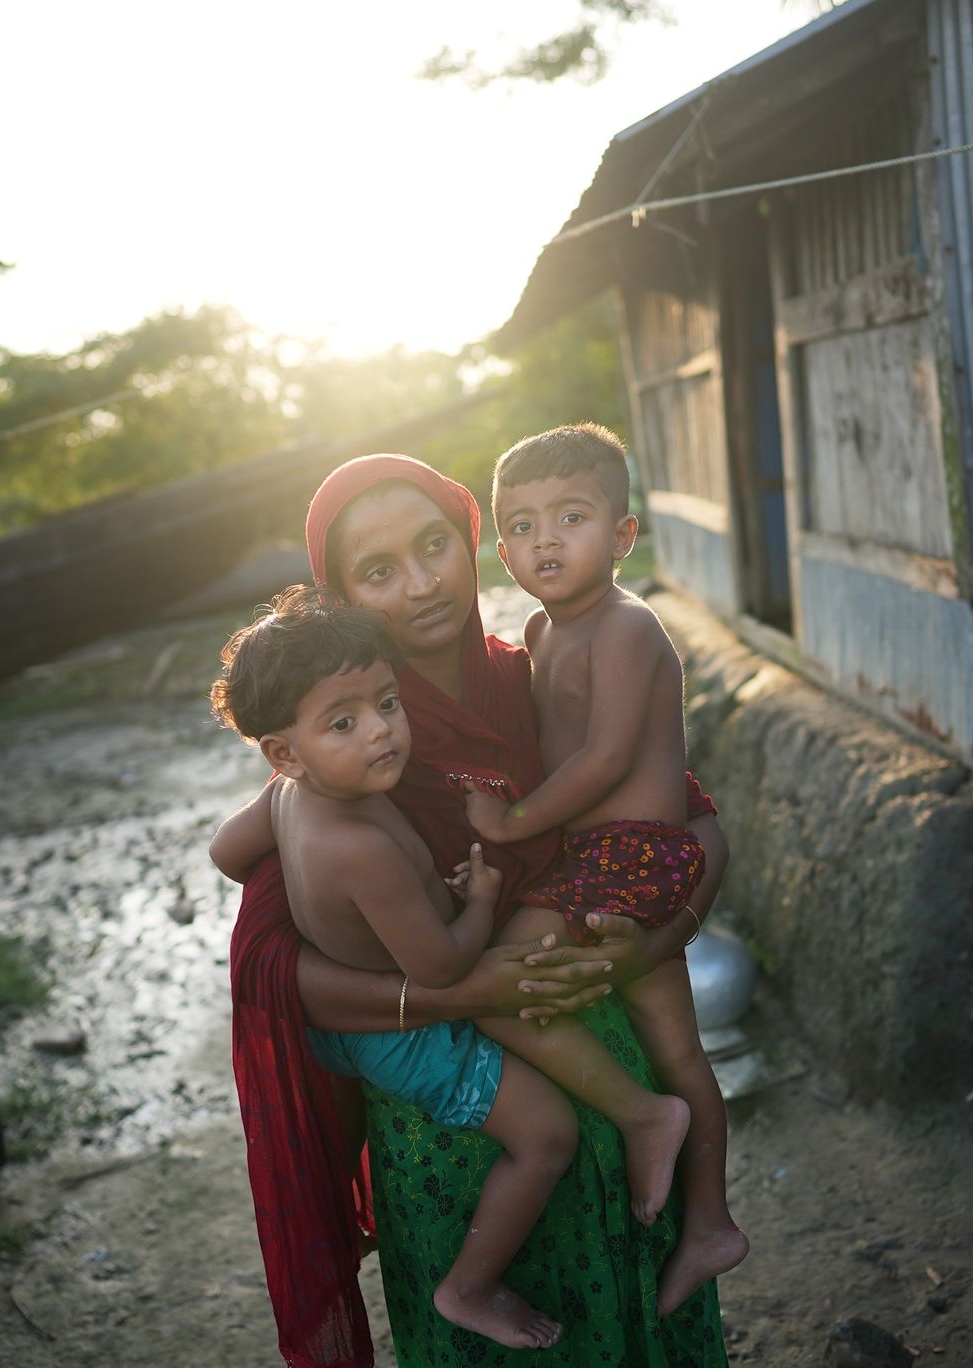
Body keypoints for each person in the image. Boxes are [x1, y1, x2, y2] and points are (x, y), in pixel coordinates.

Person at [224, 452, 731, 1367]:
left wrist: (661, 935)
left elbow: (689, 814)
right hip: (466, 1131)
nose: (422, 586)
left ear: (473, 543)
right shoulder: (339, 752)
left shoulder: (534, 668)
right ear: (336, 593)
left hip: (620, 1088)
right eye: (378, 572)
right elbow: (276, 972)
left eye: (434, 547)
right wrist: (461, 992)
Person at [466, 422, 748, 1315]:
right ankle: (710, 1225)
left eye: (572, 517)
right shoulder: (542, 630)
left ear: (623, 536)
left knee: (492, 984)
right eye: (519, 525)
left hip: (629, 856)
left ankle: (643, 1115)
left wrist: (509, 824)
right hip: (601, 858)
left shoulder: (626, 627)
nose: (543, 542)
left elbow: (599, 760)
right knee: (680, 1046)